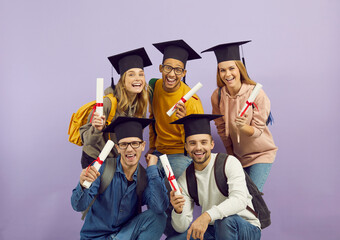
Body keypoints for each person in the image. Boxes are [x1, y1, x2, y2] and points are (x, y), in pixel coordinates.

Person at [71, 117, 169, 240]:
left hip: (124, 235)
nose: (129, 149)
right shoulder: (102, 169)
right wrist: (83, 185)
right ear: (117, 148)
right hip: (95, 237)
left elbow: (159, 208)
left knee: (158, 217)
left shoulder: (144, 177)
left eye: (135, 143)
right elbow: (78, 206)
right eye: (123, 144)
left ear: (143, 146)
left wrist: (153, 169)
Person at [168, 114, 261, 240]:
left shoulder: (229, 163)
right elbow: (181, 227)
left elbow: (239, 200)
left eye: (203, 142)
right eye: (192, 143)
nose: (198, 147)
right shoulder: (185, 179)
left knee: (225, 221)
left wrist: (206, 216)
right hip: (213, 229)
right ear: (186, 147)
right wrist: (178, 211)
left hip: (244, 227)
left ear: (211, 144)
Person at [202, 41, 278, 192]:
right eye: (222, 70)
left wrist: (243, 127)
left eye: (231, 68)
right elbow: (222, 128)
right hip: (238, 156)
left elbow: (257, 131)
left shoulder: (256, 93)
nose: (227, 74)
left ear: (240, 69)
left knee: (251, 198)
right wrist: (231, 155)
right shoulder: (217, 96)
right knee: (237, 197)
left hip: (260, 154)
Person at [80, 47, 152, 169]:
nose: (138, 78)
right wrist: (96, 129)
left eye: (141, 74)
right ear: (123, 80)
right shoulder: (107, 103)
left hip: (119, 160)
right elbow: (86, 140)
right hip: (96, 159)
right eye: (131, 74)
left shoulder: (141, 104)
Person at [146, 39, 204, 179]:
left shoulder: (192, 102)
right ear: (160, 68)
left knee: (176, 193)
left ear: (183, 73)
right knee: (150, 189)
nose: (172, 74)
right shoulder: (155, 86)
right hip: (158, 151)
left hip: (181, 154)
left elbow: (198, 141)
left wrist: (185, 122)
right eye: (168, 68)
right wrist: (152, 147)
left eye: (178, 70)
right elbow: (153, 118)